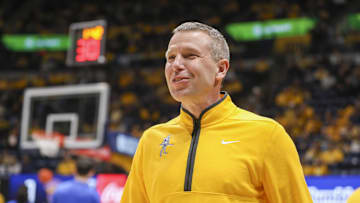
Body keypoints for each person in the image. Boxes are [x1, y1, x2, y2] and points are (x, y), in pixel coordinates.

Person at [120, 22, 313, 203]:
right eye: (170, 58)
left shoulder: (267, 135)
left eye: (190, 56)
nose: (176, 65)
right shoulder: (151, 141)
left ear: (220, 69)